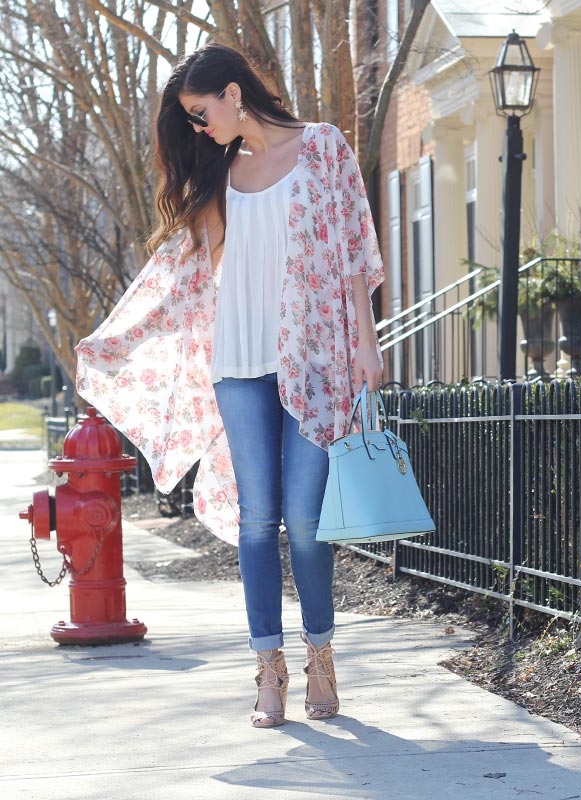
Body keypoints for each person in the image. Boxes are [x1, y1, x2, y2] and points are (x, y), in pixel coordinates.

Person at [75, 42, 385, 728]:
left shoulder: (323, 147)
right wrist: (113, 339)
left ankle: (321, 657)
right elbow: (181, 279)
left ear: (235, 93)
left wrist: (365, 341)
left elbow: (354, 252)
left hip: (313, 361)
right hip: (237, 366)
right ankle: (268, 669)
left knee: (305, 525)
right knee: (256, 522)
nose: (198, 127)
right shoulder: (217, 178)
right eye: (188, 118)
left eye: (200, 111)